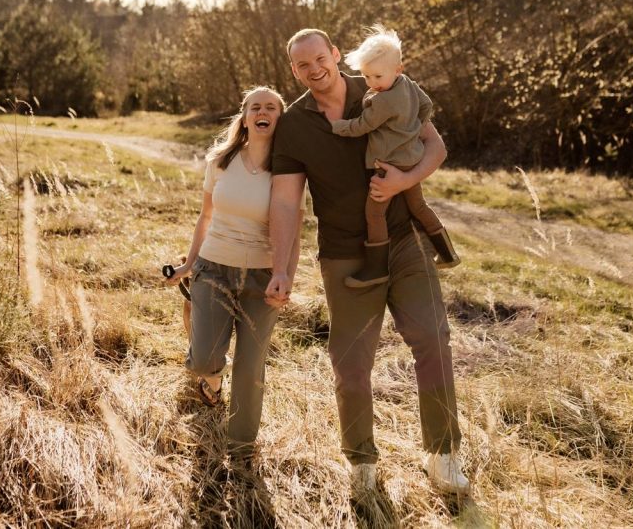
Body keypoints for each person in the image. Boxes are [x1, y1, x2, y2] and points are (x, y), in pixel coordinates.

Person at [265, 29, 470, 495]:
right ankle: (361, 463)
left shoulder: (382, 85)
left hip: (404, 240)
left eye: (321, 57)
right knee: (351, 364)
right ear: (293, 71)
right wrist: (282, 268)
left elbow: (435, 147)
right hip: (344, 255)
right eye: (302, 64)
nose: (314, 68)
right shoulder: (295, 125)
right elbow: (284, 202)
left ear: (337, 56)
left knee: (433, 338)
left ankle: (443, 455)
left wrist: (404, 182)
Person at [165, 86, 300, 459]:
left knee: (250, 366)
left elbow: (295, 232)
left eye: (271, 107)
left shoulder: (290, 170)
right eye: (255, 106)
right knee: (206, 358)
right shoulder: (220, 161)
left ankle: (241, 448)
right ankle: (210, 377)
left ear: (279, 118)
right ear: (244, 116)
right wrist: (189, 265)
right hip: (214, 266)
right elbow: (205, 217)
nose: (263, 111)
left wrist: (284, 276)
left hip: (262, 275)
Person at [330, 25, 459, 287]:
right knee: (419, 207)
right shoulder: (408, 85)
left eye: (377, 76)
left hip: (387, 166)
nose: (371, 83)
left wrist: (337, 126)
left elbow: (362, 126)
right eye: (366, 77)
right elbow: (427, 104)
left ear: (397, 69)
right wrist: (412, 126)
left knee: (374, 213)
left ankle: (376, 267)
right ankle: (447, 252)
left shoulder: (383, 101)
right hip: (410, 159)